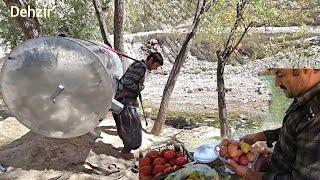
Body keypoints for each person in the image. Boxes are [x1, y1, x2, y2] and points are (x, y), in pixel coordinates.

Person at [226, 68, 320, 179]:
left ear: (307, 69)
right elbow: (295, 129)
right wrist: (260, 136)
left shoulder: (315, 117)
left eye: (280, 75)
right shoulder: (306, 97)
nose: (276, 83)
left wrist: (248, 174)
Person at [113, 52, 163, 160]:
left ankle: (127, 150)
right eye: (156, 66)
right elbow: (126, 81)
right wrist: (140, 87)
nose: (155, 68)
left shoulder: (140, 66)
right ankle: (126, 152)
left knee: (131, 129)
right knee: (132, 130)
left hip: (126, 102)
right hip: (126, 102)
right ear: (151, 60)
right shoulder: (141, 67)